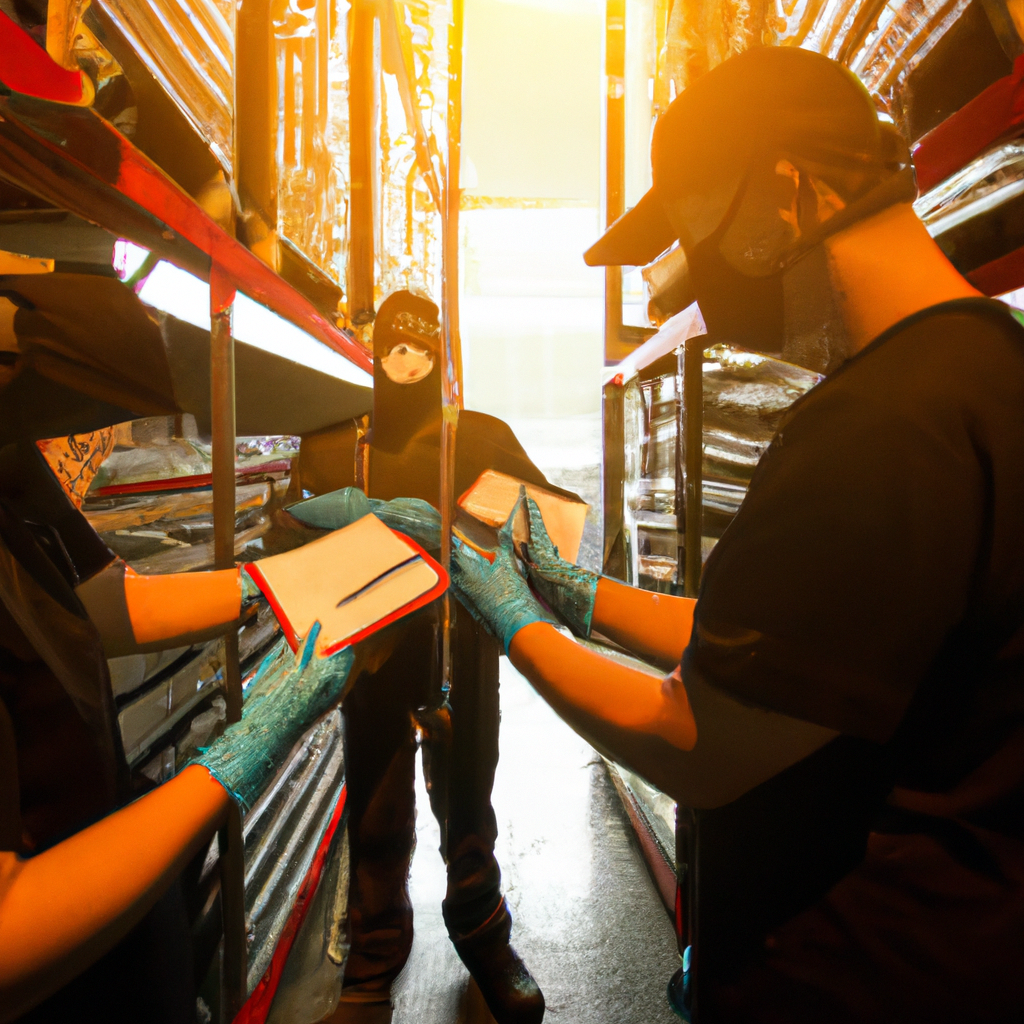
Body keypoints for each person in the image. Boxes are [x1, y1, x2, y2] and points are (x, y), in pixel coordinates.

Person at [450, 47, 1024, 1024]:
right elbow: (795, 654)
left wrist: (512, 621)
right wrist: (576, 592)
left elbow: (697, 737)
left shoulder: (878, 423)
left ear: (785, 192)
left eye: (696, 241)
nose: (692, 294)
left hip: (855, 974)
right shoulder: (987, 371)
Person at [290, 290, 577, 1024]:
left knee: (468, 798)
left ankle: (483, 935)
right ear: (374, 347)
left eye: (424, 344)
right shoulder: (334, 444)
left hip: (464, 650)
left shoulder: (479, 437)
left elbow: (551, 530)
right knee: (375, 803)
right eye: (396, 341)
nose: (408, 357)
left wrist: (490, 537)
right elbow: (286, 542)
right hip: (372, 654)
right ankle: (374, 952)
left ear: (444, 352)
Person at [0, 435, 358, 1023]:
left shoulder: (10, 447)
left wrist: (283, 583)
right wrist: (240, 755)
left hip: (113, 890)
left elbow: (101, 601)